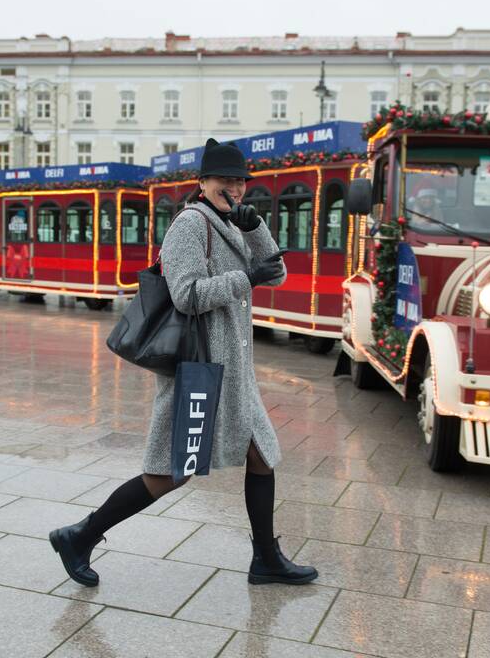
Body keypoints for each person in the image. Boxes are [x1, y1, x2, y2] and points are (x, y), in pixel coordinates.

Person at [49, 138, 317, 588]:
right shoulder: (190, 226)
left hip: (233, 372)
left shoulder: (233, 223)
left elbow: (278, 272)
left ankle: (266, 559)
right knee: (171, 472)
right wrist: (244, 277)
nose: (233, 188)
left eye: (239, 181)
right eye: (223, 180)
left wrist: (255, 231)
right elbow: (187, 295)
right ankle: (80, 535)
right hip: (200, 370)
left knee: (261, 455)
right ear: (202, 182)